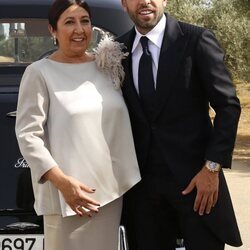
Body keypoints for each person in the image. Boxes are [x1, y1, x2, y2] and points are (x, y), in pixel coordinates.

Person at [15, 0, 141, 249]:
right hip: (67, 197)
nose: (79, 29)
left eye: (85, 21)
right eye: (69, 22)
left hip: (110, 194)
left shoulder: (106, 66)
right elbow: (28, 136)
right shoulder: (39, 73)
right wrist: (63, 183)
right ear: (53, 30)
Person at [118, 0, 242, 249]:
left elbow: (228, 106)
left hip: (197, 187)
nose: (144, 1)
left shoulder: (196, 40)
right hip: (143, 194)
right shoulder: (117, 50)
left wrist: (212, 168)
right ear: (123, 3)